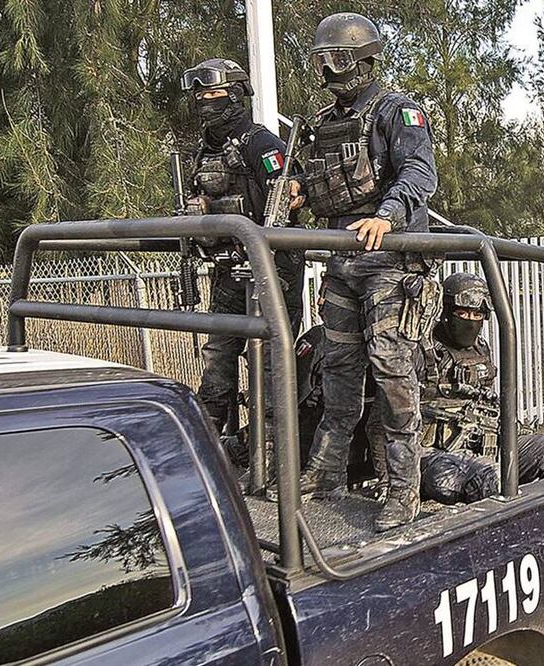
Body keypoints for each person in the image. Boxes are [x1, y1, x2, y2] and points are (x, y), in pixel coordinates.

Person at [292, 12, 439, 532]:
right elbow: (326, 185)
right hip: (342, 264)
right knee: (337, 372)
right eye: (321, 59)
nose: (327, 69)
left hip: (389, 265)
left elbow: (420, 172)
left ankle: (404, 490)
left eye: (336, 58)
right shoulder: (322, 122)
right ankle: (325, 472)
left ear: (361, 59)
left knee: (393, 373)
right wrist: (300, 193)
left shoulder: (397, 112)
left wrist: (388, 215)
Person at [180, 58, 305, 438]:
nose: (207, 103)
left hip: (272, 272)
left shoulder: (261, 144)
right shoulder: (203, 153)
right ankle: (211, 437)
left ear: (235, 96)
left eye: (215, 94)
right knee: (217, 357)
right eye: (201, 96)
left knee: (270, 364)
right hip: (226, 271)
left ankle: (271, 447)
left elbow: (289, 198)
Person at [407, 273, 544, 504]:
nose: (471, 320)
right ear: (445, 312)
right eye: (462, 313)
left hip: (482, 442)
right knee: (489, 475)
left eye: (477, 315)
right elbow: (391, 416)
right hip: (433, 454)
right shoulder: (422, 351)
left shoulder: (480, 349)